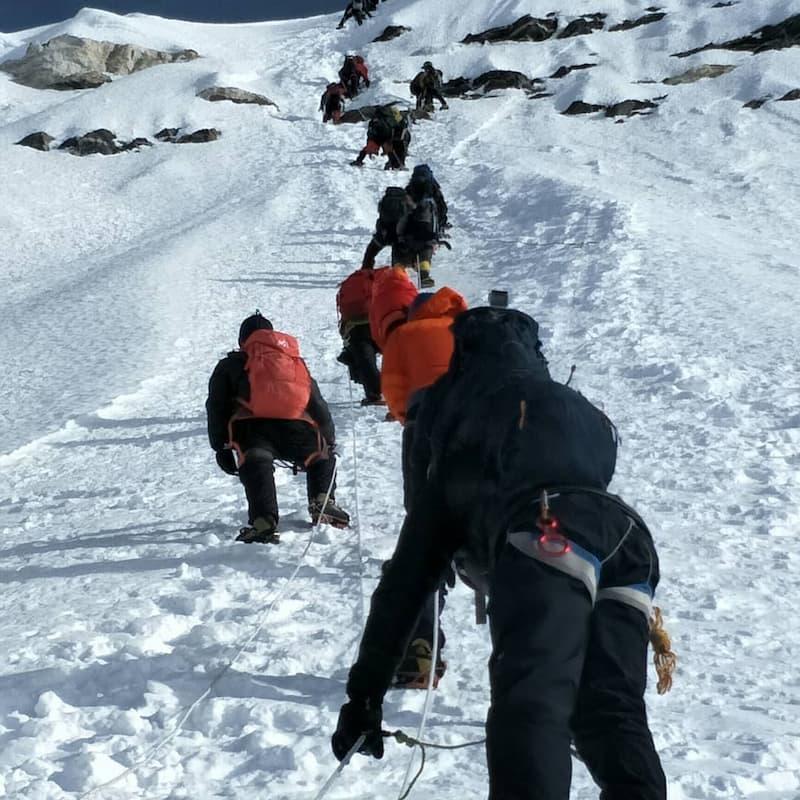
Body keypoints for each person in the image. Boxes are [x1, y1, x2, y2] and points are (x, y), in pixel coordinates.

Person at [332, 306, 667, 800]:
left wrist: (364, 695)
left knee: (533, 705)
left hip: (546, 537)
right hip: (628, 539)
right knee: (611, 711)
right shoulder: (571, 404)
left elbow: (409, 579)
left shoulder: (459, 414)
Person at [379, 287, 468, 685]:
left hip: (423, 432)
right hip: (475, 432)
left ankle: (419, 649)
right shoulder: (470, 330)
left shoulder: (403, 336)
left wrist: (410, 419)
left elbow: (395, 393)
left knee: (423, 537)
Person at [206, 312, 350, 543]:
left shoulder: (231, 364)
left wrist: (220, 447)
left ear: (243, 340)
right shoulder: (293, 361)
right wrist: (329, 440)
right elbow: (316, 403)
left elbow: (216, 406)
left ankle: (264, 521)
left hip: (252, 430)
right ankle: (322, 500)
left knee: (257, 462)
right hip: (296, 428)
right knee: (319, 454)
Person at [361, 185, 446, 288]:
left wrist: (365, 270)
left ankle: (393, 277)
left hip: (386, 235)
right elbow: (418, 223)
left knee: (376, 251)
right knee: (423, 247)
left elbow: (378, 229)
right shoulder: (409, 204)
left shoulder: (385, 207)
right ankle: (424, 275)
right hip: (406, 237)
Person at [336, 268, 383, 405]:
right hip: (380, 321)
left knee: (363, 357)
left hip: (355, 326)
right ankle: (402, 391)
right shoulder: (381, 280)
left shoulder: (348, 286)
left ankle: (374, 394)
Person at [350, 106, 410, 170]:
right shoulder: (392, 121)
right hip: (384, 135)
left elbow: (371, 132)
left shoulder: (377, 120)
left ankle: (359, 161)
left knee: (374, 147)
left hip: (378, 135)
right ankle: (395, 165)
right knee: (389, 149)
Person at [405, 163, 450, 231]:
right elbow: (443, 208)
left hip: (411, 227)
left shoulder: (409, 188)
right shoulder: (433, 188)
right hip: (430, 226)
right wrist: (442, 222)